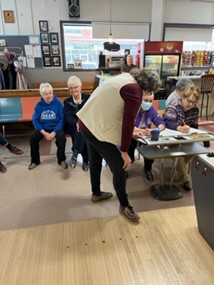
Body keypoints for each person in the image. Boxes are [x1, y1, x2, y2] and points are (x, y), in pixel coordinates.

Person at [77, 68, 162, 222]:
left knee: (95, 158)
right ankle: (124, 205)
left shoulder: (125, 77)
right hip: (94, 127)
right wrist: (124, 152)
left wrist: (133, 130)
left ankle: (96, 193)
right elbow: (128, 121)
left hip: (86, 122)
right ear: (148, 88)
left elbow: (114, 108)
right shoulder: (135, 90)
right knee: (120, 165)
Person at [163, 85, 200, 191]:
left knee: (197, 149)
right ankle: (185, 180)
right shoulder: (173, 106)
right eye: (188, 100)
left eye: (193, 102)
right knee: (178, 154)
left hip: (185, 138)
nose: (190, 104)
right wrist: (179, 128)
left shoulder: (194, 110)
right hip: (170, 138)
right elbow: (168, 123)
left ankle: (179, 167)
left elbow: (194, 126)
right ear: (183, 97)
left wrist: (194, 133)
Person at [28, 83, 67, 170]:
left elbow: (62, 120)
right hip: (43, 128)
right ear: (42, 95)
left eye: (50, 93)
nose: (49, 96)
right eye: (46, 94)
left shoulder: (58, 104)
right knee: (33, 138)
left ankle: (61, 160)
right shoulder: (39, 105)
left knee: (62, 138)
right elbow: (35, 120)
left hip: (56, 127)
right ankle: (35, 161)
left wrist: (54, 132)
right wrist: (44, 133)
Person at [128, 92, 165, 182]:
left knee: (151, 150)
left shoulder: (151, 109)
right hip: (131, 136)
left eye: (150, 101)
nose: (148, 103)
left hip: (144, 137)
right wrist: (136, 130)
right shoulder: (133, 108)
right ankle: (124, 169)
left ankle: (148, 169)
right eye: (146, 100)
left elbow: (161, 122)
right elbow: (126, 124)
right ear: (140, 100)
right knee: (129, 156)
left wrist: (156, 129)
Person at [64, 76, 90, 171]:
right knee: (80, 131)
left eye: (76, 87)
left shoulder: (88, 98)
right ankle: (86, 161)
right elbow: (67, 117)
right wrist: (76, 123)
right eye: (71, 88)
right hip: (72, 126)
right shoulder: (67, 102)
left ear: (80, 87)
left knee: (82, 130)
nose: (73, 90)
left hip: (86, 124)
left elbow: (90, 112)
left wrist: (81, 123)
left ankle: (75, 155)